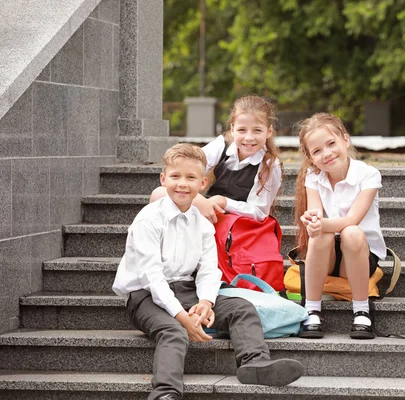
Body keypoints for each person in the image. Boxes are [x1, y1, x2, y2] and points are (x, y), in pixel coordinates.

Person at [112, 143, 303, 400]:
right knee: (174, 332)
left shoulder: (202, 223)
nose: (182, 184)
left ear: (202, 183)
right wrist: (183, 317)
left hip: (185, 289)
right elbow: (152, 277)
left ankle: (255, 364)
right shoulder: (149, 219)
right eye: (175, 176)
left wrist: (205, 302)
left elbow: (209, 270)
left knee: (241, 308)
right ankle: (165, 393)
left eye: (190, 178)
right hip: (144, 296)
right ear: (163, 179)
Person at [293, 113, 386, 340]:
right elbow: (315, 212)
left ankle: (362, 310)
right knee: (322, 235)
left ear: (345, 139)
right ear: (310, 157)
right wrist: (312, 222)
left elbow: (351, 220)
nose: (327, 154)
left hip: (360, 254)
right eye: (317, 151)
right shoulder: (313, 177)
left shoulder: (368, 175)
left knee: (351, 232)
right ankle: (312, 310)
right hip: (327, 255)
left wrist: (320, 224)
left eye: (331, 144)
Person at [150, 95, 282, 223]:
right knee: (158, 194)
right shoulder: (222, 145)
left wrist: (223, 202)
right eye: (242, 130)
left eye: (257, 130)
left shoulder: (270, 164)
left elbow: (259, 212)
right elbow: (188, 165)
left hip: (237, 222)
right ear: (232, 129)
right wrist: (199, 201)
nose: (249, 137)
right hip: (206, 208)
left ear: (269, 131)